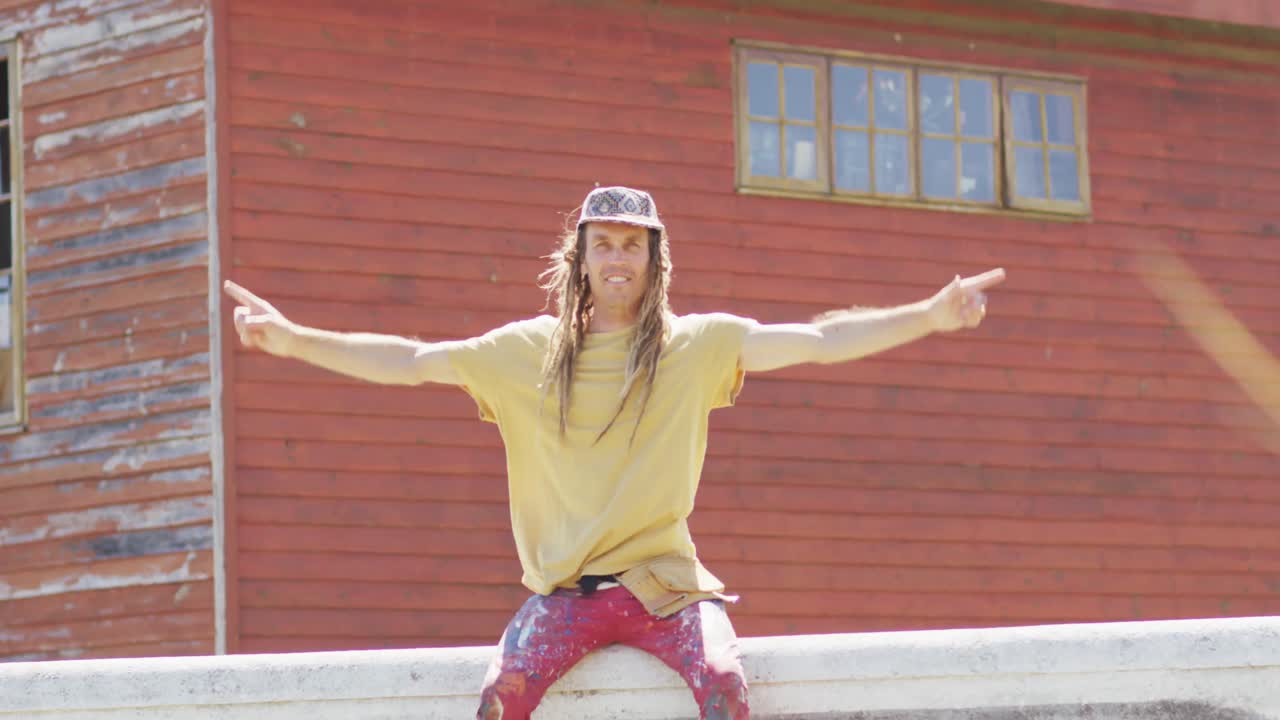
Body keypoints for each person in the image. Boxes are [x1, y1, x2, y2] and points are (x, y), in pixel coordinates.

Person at [224, 186, 1005, 719]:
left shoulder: (695, 346)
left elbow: (818, 340)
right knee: (502, 697)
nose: (619, 258)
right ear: (582, 258)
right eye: (604, 244)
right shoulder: (525, 352)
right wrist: (292, 340)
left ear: (654, 259)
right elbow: (412, 360)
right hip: (564, 594)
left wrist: (928, 316)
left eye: (634, 245)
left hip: (667, 590)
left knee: (726, 683)